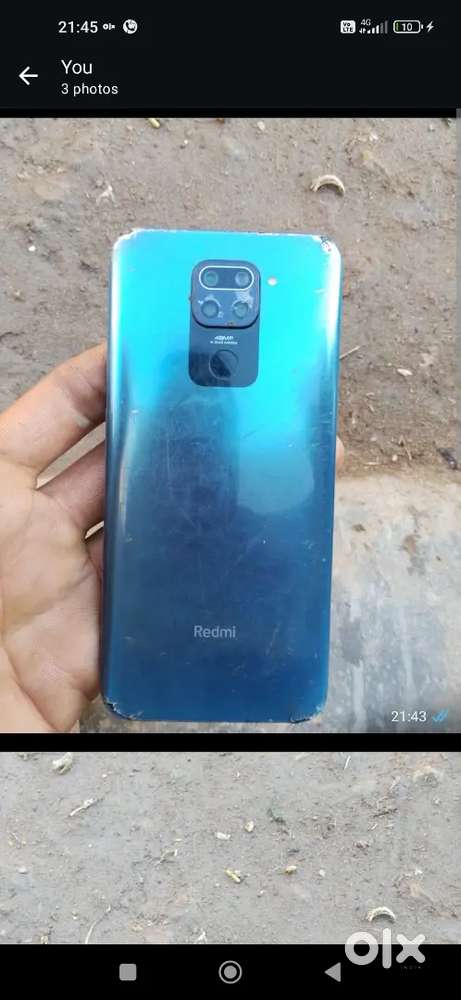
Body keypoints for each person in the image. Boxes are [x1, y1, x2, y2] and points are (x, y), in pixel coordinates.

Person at [0, 343, 344, 733]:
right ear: (155, 444)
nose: (198, 462)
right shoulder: (141, 564)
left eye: (211, 434)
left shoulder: (272, 559)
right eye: (184, 440)